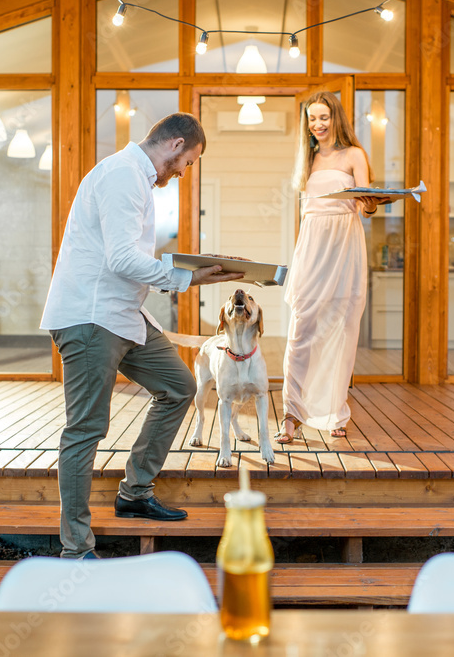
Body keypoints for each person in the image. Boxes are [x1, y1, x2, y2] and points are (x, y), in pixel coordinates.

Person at [40, 113, 242, 560]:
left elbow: (130, 260)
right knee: (86, 428)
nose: (183, 172)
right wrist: (186, 278)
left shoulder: (138, 179)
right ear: (174, 145)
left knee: (179, 386)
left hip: (124, 313)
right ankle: (75, 548)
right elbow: (121, 259)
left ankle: (134, 492)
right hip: (91, 316)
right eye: (187, 162)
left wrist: (194, 272)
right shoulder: (120, 176)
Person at [278, 92, 387, 443]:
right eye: (312, 119)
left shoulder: (355, 155)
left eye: (323, 117)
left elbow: (366, 208)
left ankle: (335, 412)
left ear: (335, 118)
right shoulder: (306, 159)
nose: (317, 124)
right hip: (312, 244)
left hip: (345, 242)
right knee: (302, 328)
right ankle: (291, 414)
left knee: (342, 325)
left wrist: (370, 204)